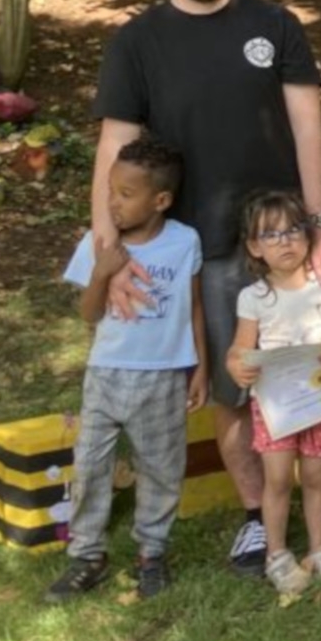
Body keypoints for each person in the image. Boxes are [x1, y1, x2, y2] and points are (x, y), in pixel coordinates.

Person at [90, 0, 321, 576]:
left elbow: (309, 131)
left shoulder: (275, 25)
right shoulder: (138, 41)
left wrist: (317, 228)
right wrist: (109, 256)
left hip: (285, 236)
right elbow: (114, 148)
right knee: (237, 386)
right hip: (203, 247)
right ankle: (261, 520)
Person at [48, 137, 205, 603]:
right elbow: (88, 315)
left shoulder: (184, 241)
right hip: (106, 374)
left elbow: (194, 308)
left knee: (161, 467)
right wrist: (102, 272)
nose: (113, 202)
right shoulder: (99, 243)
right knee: (92, 464)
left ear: (161, 200)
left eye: (126, 194)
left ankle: (152, 554)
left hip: (163, 375)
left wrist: (201, 367)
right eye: (111, 190)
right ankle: (87, 555)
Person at [224, 191, 321, 595]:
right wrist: (238, 365)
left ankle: (320, 550)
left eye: (292, 231)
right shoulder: (254, 297)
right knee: (279, 478)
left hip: (320, 401)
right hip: (274, 407)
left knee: (317, 477)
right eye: (270, 235)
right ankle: (278, 555)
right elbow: (238, 349)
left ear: (307, 235)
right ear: (254, 247)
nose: (284, 241)